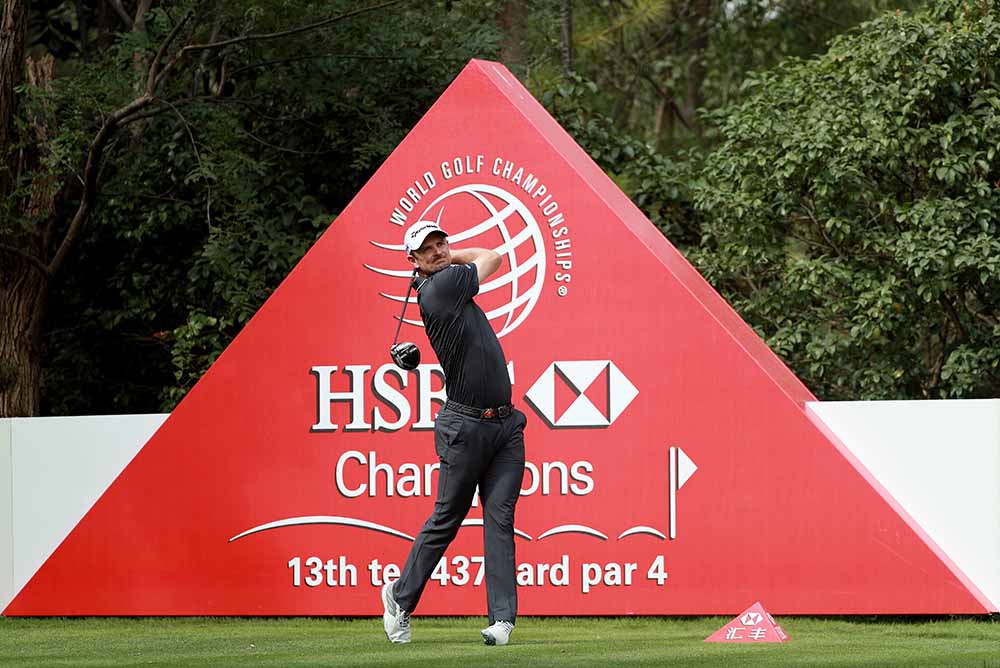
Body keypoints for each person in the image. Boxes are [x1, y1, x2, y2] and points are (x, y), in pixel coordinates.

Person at [381, 219, 527, 646]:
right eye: (427, 248)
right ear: (413, 261)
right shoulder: (442, 287)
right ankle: (400, 598)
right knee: (448, 518)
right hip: (464, 426)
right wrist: (453, 258)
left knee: (500, 519)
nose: (439, 250)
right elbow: (493, 257)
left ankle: (502, 621)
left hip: (505, 426)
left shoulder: (441, 283)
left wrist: (435, 262)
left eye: (441, 242)